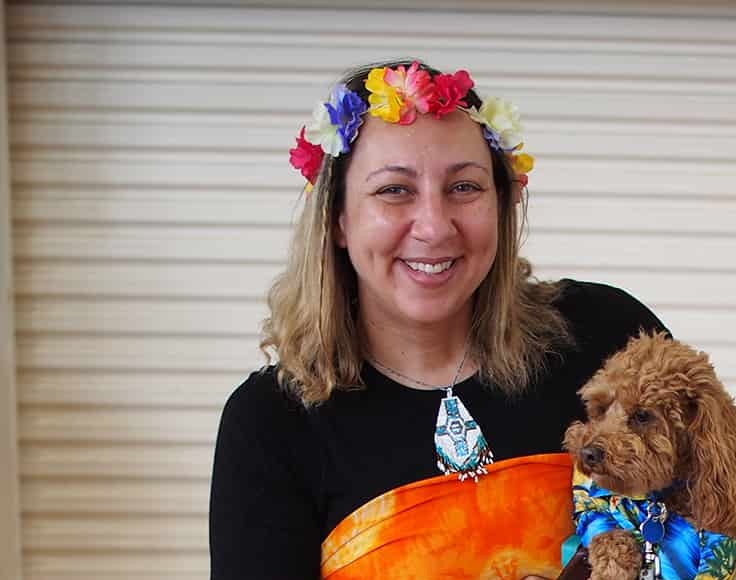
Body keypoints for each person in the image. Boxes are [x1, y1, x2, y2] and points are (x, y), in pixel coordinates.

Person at [208, 58, 668, 580]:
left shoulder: (606, 338)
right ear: (338, 219)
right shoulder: (272, 425)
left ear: (501, 202)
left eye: (464, 187)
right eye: (394, 190)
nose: (434, 226)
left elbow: (718, 516)